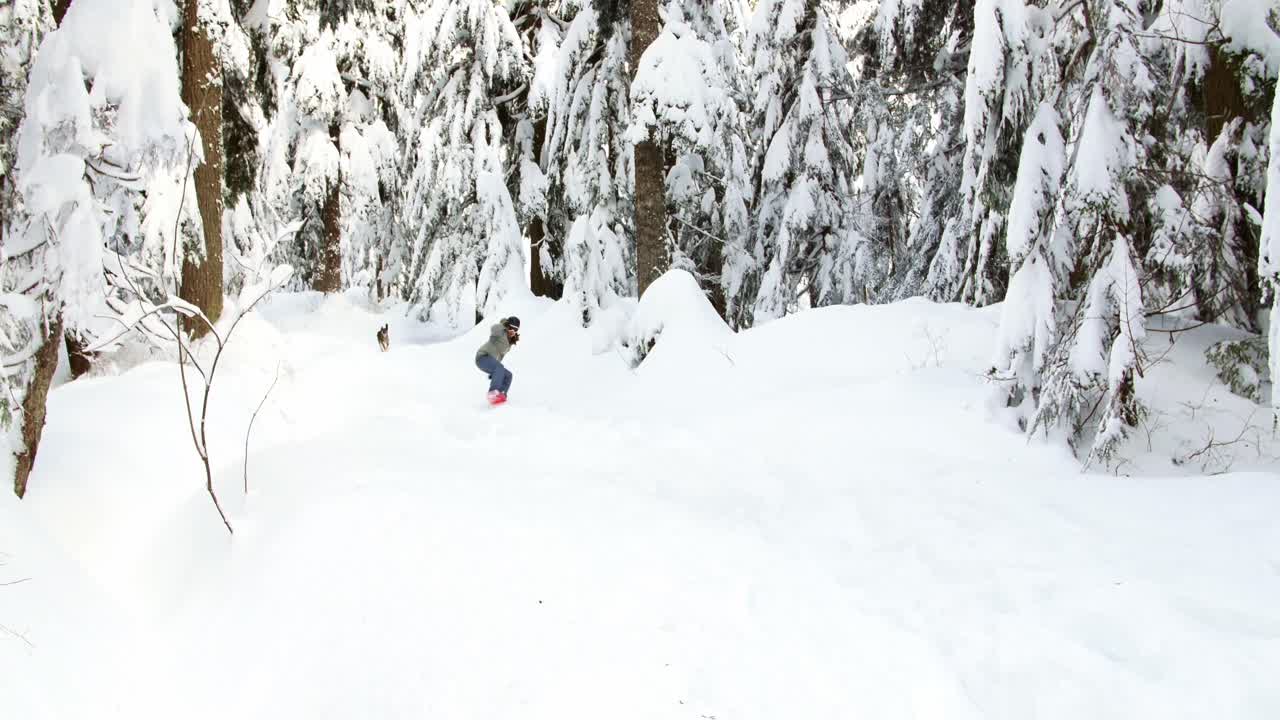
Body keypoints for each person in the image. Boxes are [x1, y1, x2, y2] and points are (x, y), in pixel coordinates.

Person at [475, 316, 519, 405]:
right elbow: (493, 328)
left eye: (515, 330)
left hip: (491, 361)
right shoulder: (500, 332)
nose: (512, 331)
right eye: (511, 328)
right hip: (483, 356)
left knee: (508, 375)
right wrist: (504, 325)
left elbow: (500, 356)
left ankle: (501, 393)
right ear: (507, 326)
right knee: (500, 368)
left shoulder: (509, 342)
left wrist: (496, 373)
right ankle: (493, 393)